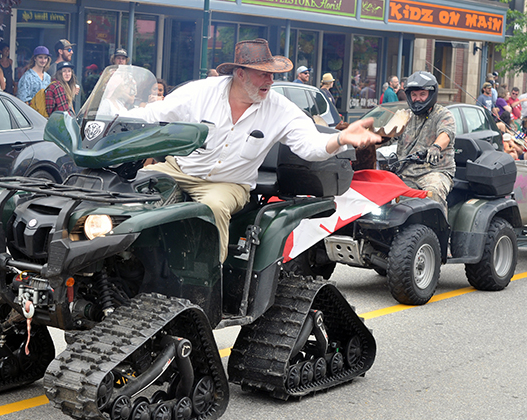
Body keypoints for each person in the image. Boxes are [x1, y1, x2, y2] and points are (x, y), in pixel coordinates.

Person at [125, 38, 381, 261]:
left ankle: (207, 286)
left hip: (228, 185)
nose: (271, 80)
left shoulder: (280, 108)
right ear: (240, 74)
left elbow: (310, 146)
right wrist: (110, 119)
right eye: (263, 73)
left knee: (211, 208)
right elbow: (153, 114)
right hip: (179, 170)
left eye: (272, 74)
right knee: (131, 186)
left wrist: (340, 139)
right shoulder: (200, 92)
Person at [385, 71, 455, 214]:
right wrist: (365, 141)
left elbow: (446, 134)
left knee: (433, 192)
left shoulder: (443, 114)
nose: (418, 99)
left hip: (434, 172)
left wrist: (436, 147)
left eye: (422, 94)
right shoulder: (405, 116)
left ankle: (440, 234)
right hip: (405, 172)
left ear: (431, 94)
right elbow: (386, 134)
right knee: (381, 192)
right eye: (414, 95)